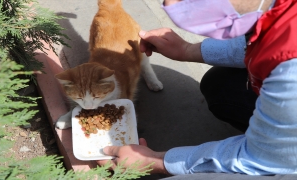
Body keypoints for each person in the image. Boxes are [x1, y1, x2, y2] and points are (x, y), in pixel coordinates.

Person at [96, 0, 297, 176]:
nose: (170, 6)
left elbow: (265, 158)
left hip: (283, 160)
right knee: (219, 85)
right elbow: (259, 37)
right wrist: (188, 50)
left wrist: (156, 161)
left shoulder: (291, 72)